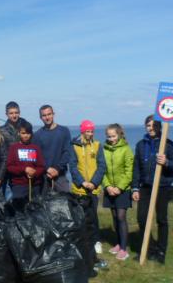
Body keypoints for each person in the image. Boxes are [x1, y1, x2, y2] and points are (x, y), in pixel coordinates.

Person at [132, 115, 173, 264]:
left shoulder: (168, 145)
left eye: (154, 125)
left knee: (161, 220)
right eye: (148, 125)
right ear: (145, 127)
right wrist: (135, 188)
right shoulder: (141, 145)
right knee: (141, 219)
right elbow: (136, 168)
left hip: (162, 187)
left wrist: (166, 162)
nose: (151, 128)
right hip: (145, 188)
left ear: (160, 127)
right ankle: (149, 249)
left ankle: (161, 252)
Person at [70, 119, 107, 271]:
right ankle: (82, 242)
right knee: (81, 218)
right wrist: (82, 183)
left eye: (92, 131)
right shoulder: (74, 146)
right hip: (79, 189)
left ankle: (95, 241)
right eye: (87, 131)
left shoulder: (97, 145)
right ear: (82, 131)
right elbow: (72, 166)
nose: (90, 134)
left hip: (93, 188)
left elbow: (102, 165)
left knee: (93, 216)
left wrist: (94, 182)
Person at [102, 123, 134, 261]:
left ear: (120, 135)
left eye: (113, 136)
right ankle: (118, 243)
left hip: (123, 189)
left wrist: (119, 187)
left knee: (121, 217)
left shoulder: (126, 149)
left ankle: (124, 248)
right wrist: (108, 186)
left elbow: (129, 171)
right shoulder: (104, 150)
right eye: (108, 136)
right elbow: (101, 169)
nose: (111, 139)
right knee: (114, 217)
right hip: (109, 189)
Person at [32, 105, 77, 193]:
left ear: (53, 114)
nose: (47, 117)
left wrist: (57, 168)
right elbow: (37, 156)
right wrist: (47, 168)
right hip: (44, 176)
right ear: (40, 117)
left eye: (49, 114)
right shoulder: (37, 135)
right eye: (44, 115)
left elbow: (67, 152)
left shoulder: (64, 131)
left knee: (64, 203)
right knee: (44, 204)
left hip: (60, 175)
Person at [6, 121, 45, 200]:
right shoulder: (14, 148)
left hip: (35, 185)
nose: (26, 136)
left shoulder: (35, 148)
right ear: (19, 133)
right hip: (19, 185)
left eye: (28, 133)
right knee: (19, 210)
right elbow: (9, 167)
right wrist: (24, 169)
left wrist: (35, 172)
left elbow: (42, 166)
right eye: (23, 133)